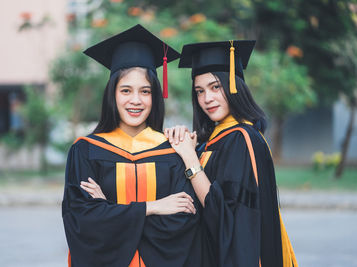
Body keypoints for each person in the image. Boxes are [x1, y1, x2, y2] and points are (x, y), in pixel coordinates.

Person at [62, 24, 201, 267]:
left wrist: (110, 211)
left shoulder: (172, 151)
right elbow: (83, 222)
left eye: (145, 91)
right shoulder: (85, 151)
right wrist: (153, 207)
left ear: (155, 96)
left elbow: (184, 221)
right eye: (126, 90)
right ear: (112, 94)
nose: (135, 100)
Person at [164, 41, 298, 267]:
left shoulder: (241, 138)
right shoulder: (218, 138)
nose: (207, 98)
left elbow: (223, 214)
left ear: (234, 86)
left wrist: (189, 158)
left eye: (215, 87)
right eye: (200, 91)